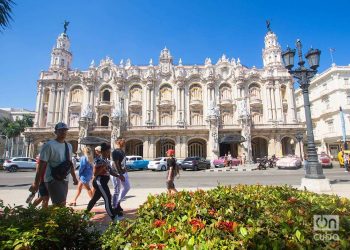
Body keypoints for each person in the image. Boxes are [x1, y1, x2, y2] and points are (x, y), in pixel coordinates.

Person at [29, 122, 78, 206]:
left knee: (58, 203)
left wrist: (74, 177)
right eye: (61, 130)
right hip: (52, 178)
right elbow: (41, 165)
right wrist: (36, 183)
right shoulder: (49, 145)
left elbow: (69, 163)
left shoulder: (69, 146)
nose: (63, 132)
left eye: (65, 130)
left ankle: (45, 217)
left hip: (64, 178)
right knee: (60, 204)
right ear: (56, 132)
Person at [87, 143, 124, 221]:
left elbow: (110, 171)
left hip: (103, 182)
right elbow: (95, 173)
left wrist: (118, 176)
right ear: (103, 152)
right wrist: (103, 167)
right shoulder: (98, 160)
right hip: (99, 181)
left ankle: (85, 215)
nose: (108, 153)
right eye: (107, 151)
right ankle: (113, 217)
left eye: (109, 151)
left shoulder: (106, 160)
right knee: (108, 198)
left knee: (95, 199)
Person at [111, 137, 130, 214]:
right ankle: (115, 207)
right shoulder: (115, 152)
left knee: (127, 187)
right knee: (117, 190)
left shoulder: (122, 151)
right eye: (122, 140)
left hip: (122, 172)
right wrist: (120, 174)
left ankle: (117, 202)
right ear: (118, 142)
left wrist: (125, 169)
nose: (124, 141)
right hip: (116, 173)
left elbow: (122, 163)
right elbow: (116, 163)